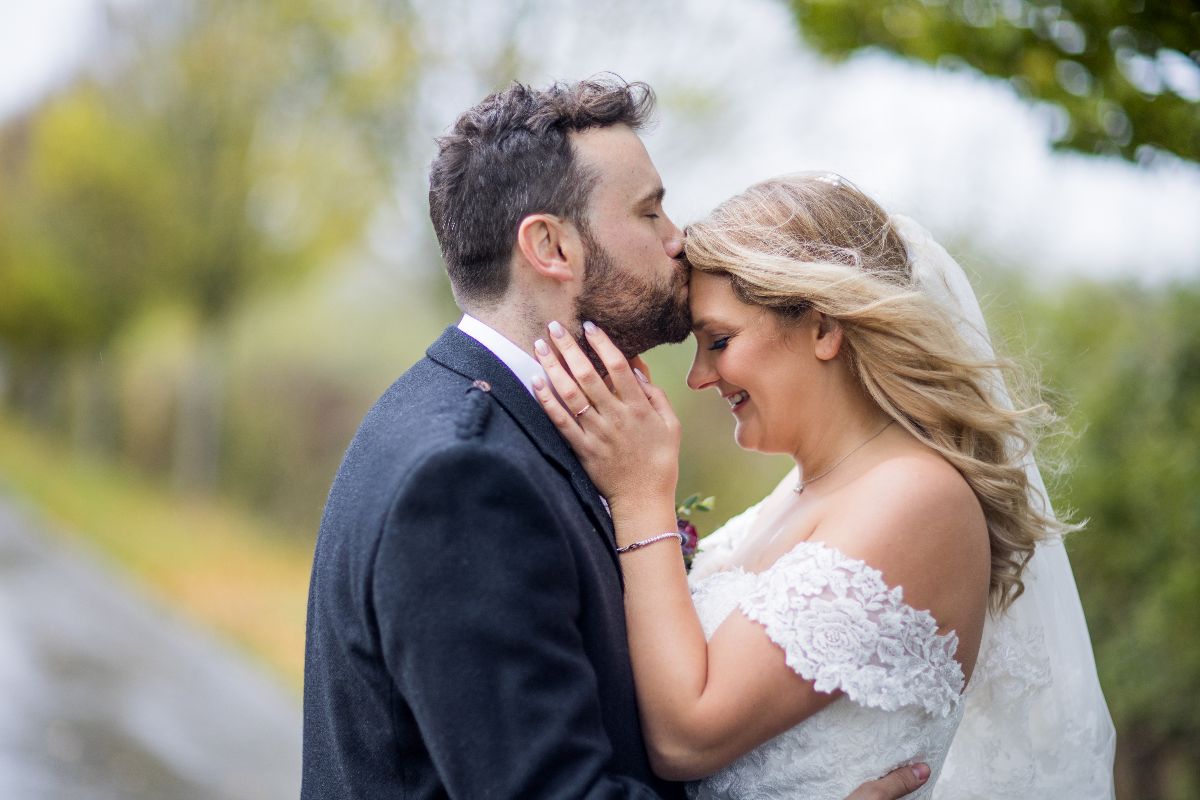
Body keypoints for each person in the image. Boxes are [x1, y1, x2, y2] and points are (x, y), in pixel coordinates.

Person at [301, 80, 929, 799]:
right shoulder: (465, 476)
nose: (678, 239)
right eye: (649, 211)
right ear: (550, 246)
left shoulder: (485, 420)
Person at [531, 173, 1116, 798]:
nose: (699, 377)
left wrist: (641, 494)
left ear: (822, 327)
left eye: (719, 341)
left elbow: (685, 738)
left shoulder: (917, 499)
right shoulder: (801, 493)